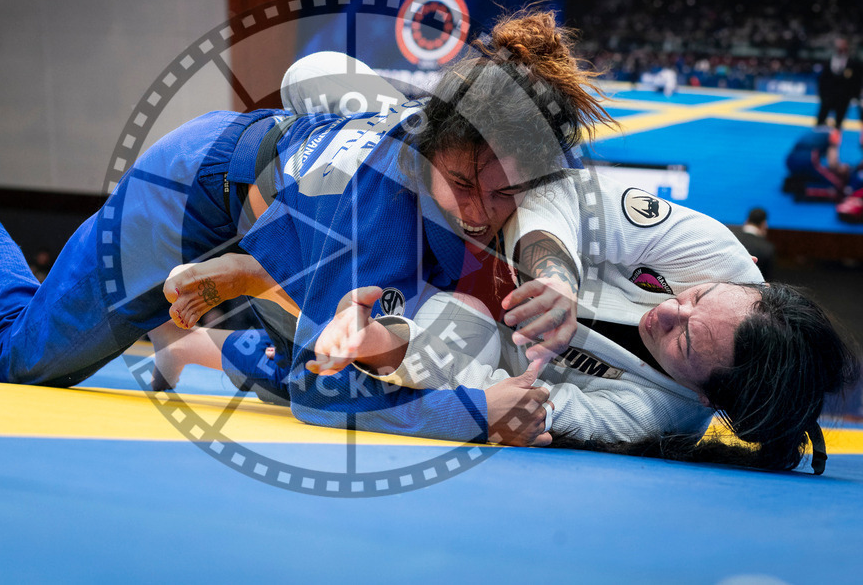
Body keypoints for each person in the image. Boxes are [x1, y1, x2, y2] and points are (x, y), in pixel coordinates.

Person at [0, 8, 609, 447]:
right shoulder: (369, 216)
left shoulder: (457, 139)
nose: (480, 213)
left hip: (272, 196)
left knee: (346, 343)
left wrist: (552, 271)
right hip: (184, 195)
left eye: (502, 196)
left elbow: (544, 196)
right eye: (463, 187)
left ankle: (200, 341)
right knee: (24, 357)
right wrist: (477, 414)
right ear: (425, 151)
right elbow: (327, 398)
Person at [159, 170, 858, 473]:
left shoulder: (658, 417)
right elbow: (567, 194)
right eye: (695, 300)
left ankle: (234, 331)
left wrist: (409, 360)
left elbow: (529, 399)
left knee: (358, 381)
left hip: (469, 321)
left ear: (706, 397)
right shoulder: (718, 256)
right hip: (485, 235)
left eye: (682, 339)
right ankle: (286, 290)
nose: (669, 311)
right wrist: (554, 276)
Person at [816, 37, 862, 153]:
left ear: (847, 48)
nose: (841, 49)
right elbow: (822, 80)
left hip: (843, 100)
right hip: (827, 99)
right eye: (839, 47)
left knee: (838, 125)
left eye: (843, 47)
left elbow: (857, 82)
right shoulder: (828, 61)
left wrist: (854, 97)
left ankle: (833, 151)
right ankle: (817, 148)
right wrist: (822, 96)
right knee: (820, 122)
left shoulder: (853, 63)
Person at [731, 207, 775, 279]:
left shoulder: (732, 238)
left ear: (747, 220)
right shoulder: (767, 248)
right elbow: (768, 279)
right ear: (764, 224)